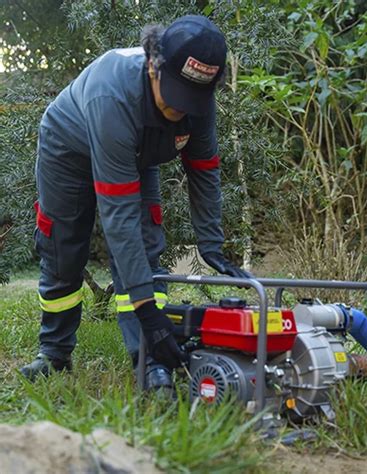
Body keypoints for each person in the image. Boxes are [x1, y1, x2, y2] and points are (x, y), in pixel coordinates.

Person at [20, 15, 253, 390]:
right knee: (64, 248)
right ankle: (54, 353)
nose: (179, 110)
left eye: (190, 100)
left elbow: (204, 169)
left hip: (138, 156)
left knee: (146, 247)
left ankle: (148, 361)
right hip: (68, 150)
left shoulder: (199, 101)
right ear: (152, 64)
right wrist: (148, 311)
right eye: (174, 94)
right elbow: (118, 216)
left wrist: (212, 245)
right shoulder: (112, 93)